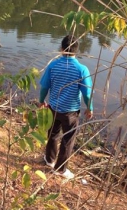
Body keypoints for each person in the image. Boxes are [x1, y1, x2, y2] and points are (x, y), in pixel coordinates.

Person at [39, 35, 93, 179]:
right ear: (77, 50)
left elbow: (45, 86)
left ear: (61, 48)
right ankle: (61, 169)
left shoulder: (53, 65)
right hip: (71, 111)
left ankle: (49, 160)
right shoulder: (82, 69)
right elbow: (87, 93)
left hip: (53, 107)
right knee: (68, 140)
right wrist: (90, 108)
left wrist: (41, 100)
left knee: (53, 134)